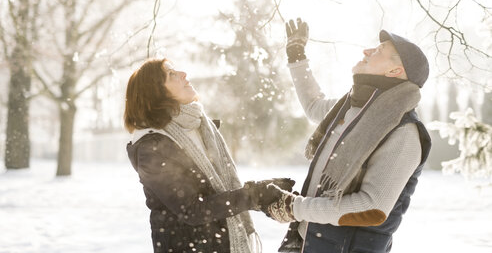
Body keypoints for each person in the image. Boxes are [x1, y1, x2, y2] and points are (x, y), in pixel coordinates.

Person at [261, 19, 432, 253]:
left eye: (380, 51)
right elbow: (314, 104)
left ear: (395, 71)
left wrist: (294, 207)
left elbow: (371, 208)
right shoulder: (352, 109)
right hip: (306, 242)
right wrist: (296, 55)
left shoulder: (404, 132)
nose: (367, 50)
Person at [124, 58, 294, 253]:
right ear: (156, 93)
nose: (183, 74)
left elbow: (217, 191)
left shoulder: (201, 127)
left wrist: (265, 195)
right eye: (171, 74)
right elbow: (193, 210)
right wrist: (254, 195)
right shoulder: (152, 147)